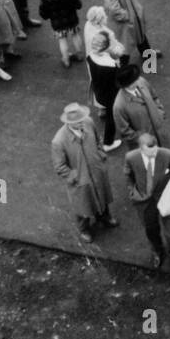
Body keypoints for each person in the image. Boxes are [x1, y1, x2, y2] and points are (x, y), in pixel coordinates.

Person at [51, 102, 118, 242]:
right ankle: (84, 229)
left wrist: (100, 155)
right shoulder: (59, 141)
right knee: (82, 206)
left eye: (81, 119)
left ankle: (104, 216)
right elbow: (60, 166)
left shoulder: (89, 122)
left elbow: (98, 140)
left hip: (96, 169)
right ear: (69, 122)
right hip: (80, 179)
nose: (81, 122)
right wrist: (75, 176)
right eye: (77, 121)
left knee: (102, 195)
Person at [125, 132, 170, 275]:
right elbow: (128, 174)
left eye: (155, 151)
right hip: (144, 202)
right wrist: (133, 192)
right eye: (149, 153)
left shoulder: (169, 155)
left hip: (167, 199)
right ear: (141, 149)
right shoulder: (131, 158)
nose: (153, 155)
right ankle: (157, 251)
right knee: (151, 229)